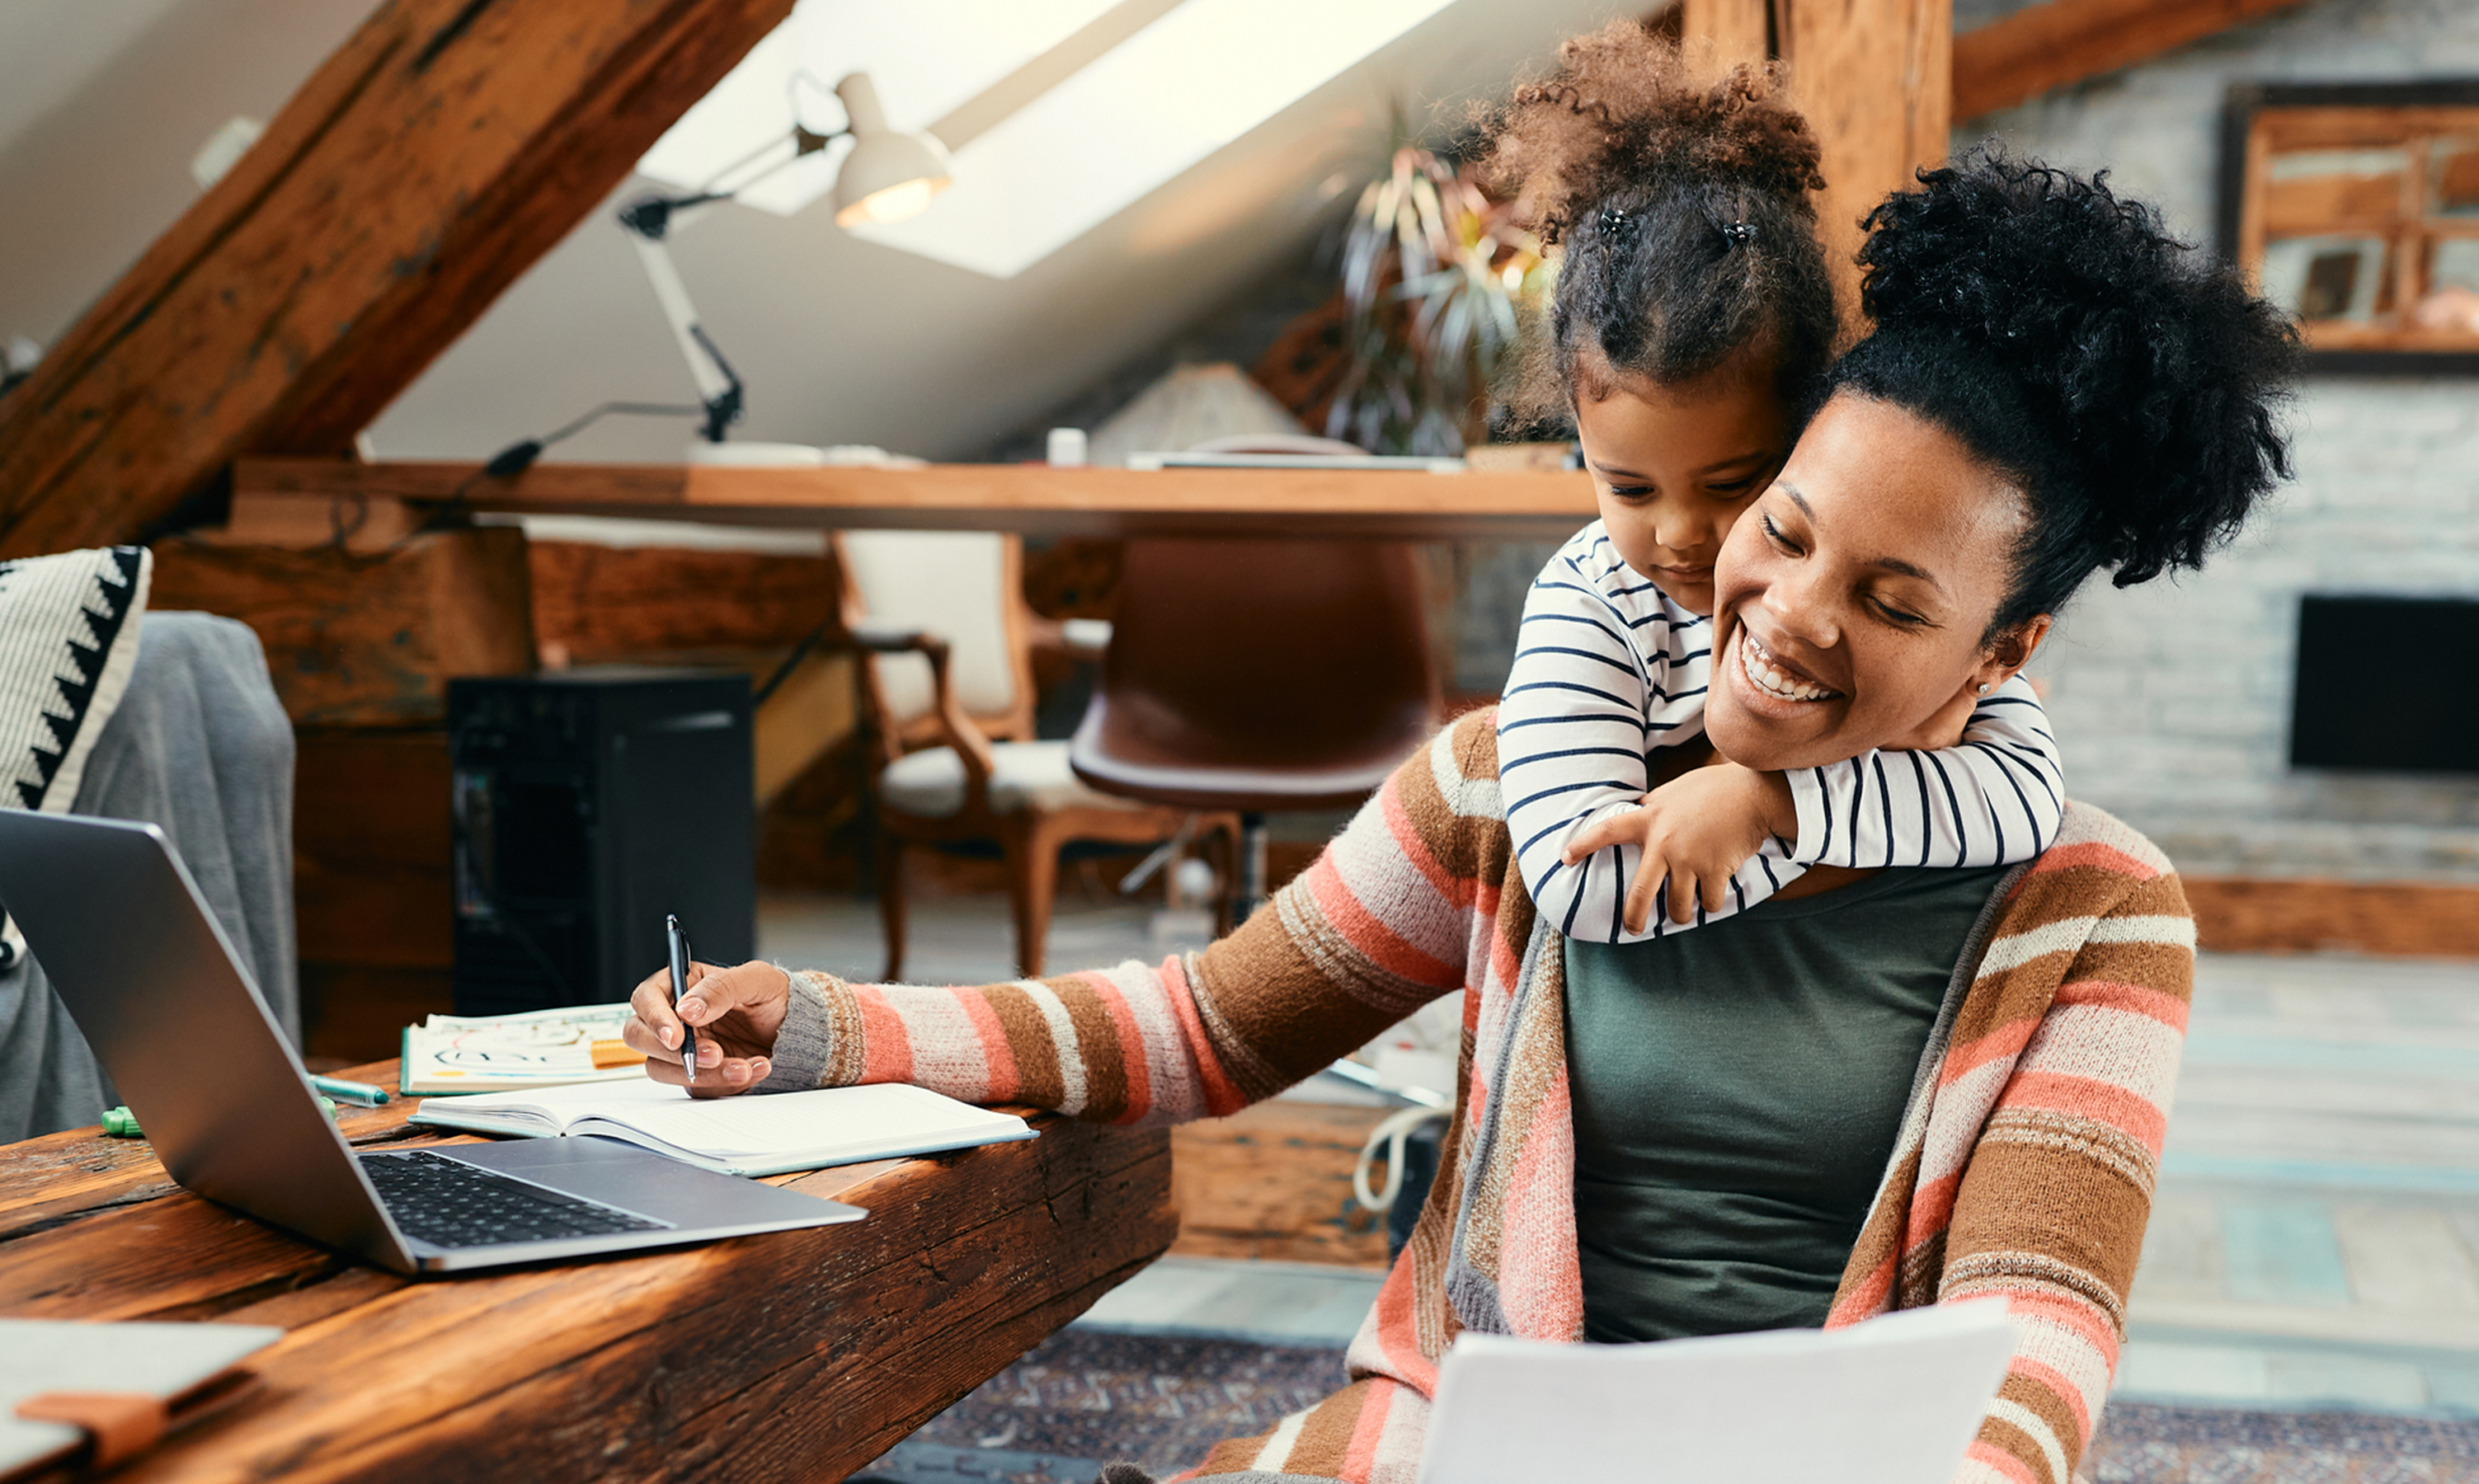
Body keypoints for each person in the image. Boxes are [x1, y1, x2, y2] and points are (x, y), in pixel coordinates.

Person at [624, 85, 2297, 1484]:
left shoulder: (2091, 912)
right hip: (1462, 1452)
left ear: (2003, 653)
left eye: (1893, 601)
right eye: (1783, 529)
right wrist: (837, 1031)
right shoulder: (1517, 791)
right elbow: (1203, 1025)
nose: (1785, 612)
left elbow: (2037, 1344)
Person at [1484, 33, 2063, 942]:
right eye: (1626, 488)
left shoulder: (1926, 640)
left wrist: (1766, 806)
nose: (1679, 533)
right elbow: (1588, 885)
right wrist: (1831, 807)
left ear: (1807, 434)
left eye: (1731, 482)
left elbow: (2023, 802)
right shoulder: (1590, 604)